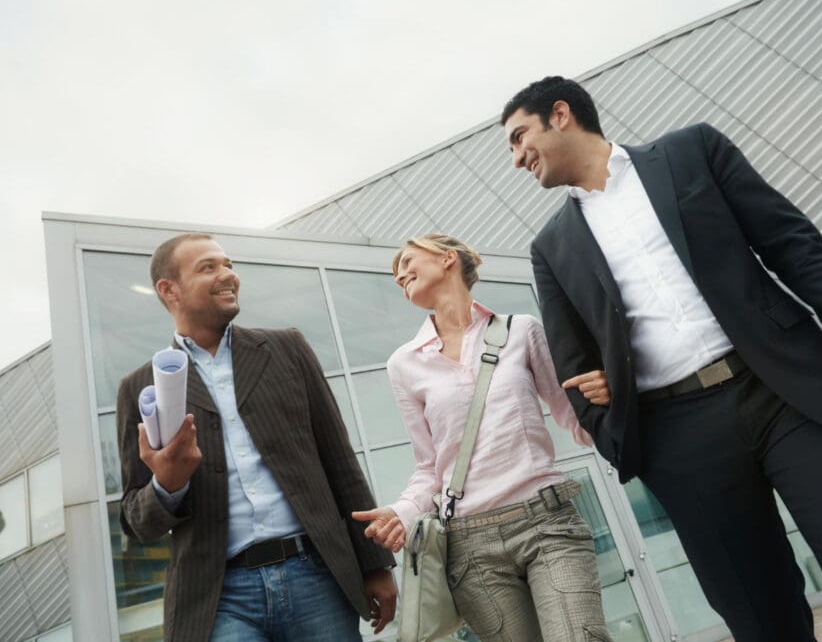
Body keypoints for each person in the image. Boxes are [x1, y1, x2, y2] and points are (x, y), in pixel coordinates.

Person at [499, 76, 822, 642]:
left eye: (520, 137)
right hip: (678, 436)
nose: (517, 158)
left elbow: (793, 244)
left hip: (789, 395)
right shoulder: (550, 248)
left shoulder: (692, 151)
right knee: (758, 615)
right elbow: (572, 361)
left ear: (561, 114)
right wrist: (608, 417)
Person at [116, 233, 396, 641]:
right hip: (219, 598)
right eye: (208, 267)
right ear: (168, 289)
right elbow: (135, 520)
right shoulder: (140, 387)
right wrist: (167, 486)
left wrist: (375, 563)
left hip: (315, 575)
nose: (228, 274)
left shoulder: (287, 348)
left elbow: (339, 460)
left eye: (228, 264)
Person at [351, 234, 613, 642]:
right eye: (396, 274)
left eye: (407, 261)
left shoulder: (521, 331)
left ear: (447, 259)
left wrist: (615, 396)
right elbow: (429, 467)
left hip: (547, 524)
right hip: (471, 548)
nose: (400, 275)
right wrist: (402, 513)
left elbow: (575, 419)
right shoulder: (404, 364)